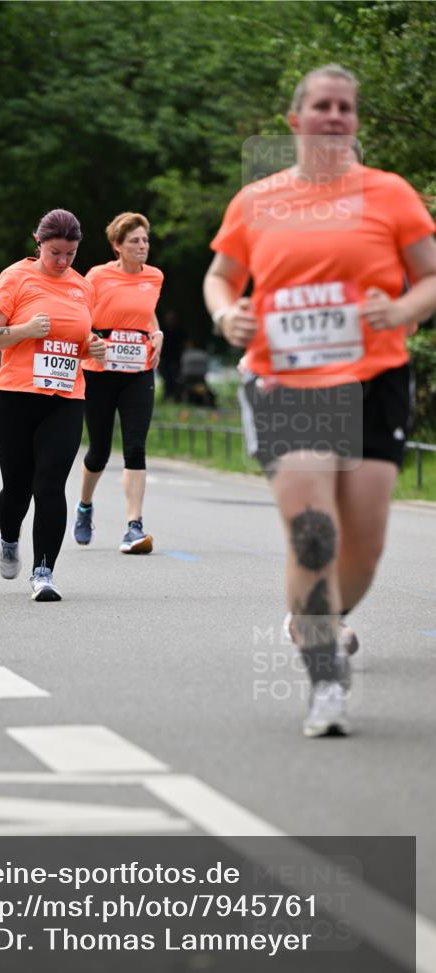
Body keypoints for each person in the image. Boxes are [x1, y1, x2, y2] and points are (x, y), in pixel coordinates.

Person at [204, 64, 436, 737]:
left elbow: (429, 277)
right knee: (314, 535)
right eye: (321, 106)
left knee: (361, 547)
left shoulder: (388, 194)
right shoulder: (256, 202)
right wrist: (226, 317)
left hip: (372, 379)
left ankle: (321, 620)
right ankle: (325, 685)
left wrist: (398, 309)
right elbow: (221, 278)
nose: (334, 116)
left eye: (345, 108)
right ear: (294, 120)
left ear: (354, 121)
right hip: (288, 381)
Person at [0, 208, 106, 601]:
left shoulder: (83, 287)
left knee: (50, 483)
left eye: (70, 253)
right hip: (15, 397)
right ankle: (9, 538)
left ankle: (44, 572)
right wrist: (23, 330)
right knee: (17, 487)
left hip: (65, 398)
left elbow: (80, 342)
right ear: (39, 243)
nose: (63, 261)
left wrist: (93, 347)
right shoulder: (15, 277)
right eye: (55, 253)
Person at [73, 212, 164, 553]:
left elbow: (146, 312)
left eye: (145, 240)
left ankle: (134, 526)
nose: (143, 246)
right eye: (135, 241)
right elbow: (79, 313)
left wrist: (157, 333)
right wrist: (91, 339)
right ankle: (84, 506)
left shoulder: (154, 276)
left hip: (139, 370)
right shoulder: (97, 276)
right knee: (98, 451)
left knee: (136, 446)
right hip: (100, 369)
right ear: (117, 246)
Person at [159, 309, 187, 401]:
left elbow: (186, 344)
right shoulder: (162, 330)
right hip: (164, 358)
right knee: (167, 378)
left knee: (176, 378)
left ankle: (176, 397)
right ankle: (167, 396)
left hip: (176, 359)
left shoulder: (180, 330)